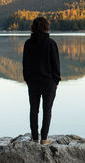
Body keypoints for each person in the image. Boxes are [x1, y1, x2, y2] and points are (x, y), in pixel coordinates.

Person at [22, 17, 61, 145]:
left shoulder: (28, 43)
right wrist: (56, 81)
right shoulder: (51, 43)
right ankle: (44, 139)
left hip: (33, 82)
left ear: (33, 27)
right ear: (46, 27)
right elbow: (56, 65)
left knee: (34, 110)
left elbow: (25, 65)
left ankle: (34, 138)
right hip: (49, 83)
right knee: (47, 110)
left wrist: (27, 79)